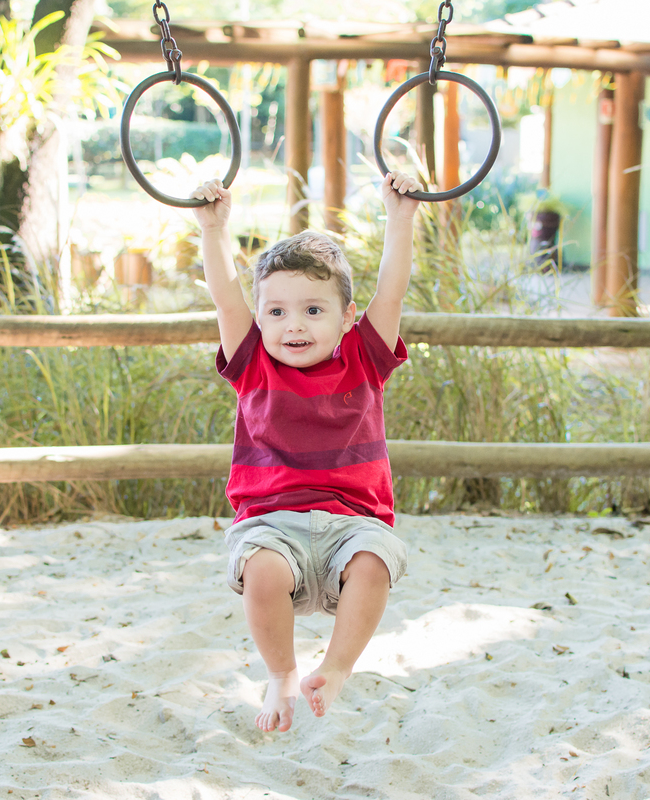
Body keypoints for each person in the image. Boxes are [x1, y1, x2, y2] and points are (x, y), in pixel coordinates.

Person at [189, 171, 422, 733]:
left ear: (345, 318)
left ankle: (336, 670)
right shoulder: (252, 363)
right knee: (262, 571)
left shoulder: (365, 356)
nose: (294, 325)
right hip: (271, 523)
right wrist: (213, 228)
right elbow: (225, 296)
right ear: (262, 318)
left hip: (353, 525)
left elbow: (390, 289)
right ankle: (282, 675)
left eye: (314, 311)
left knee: (374, 565)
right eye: (277, 312)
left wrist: (401, 216)